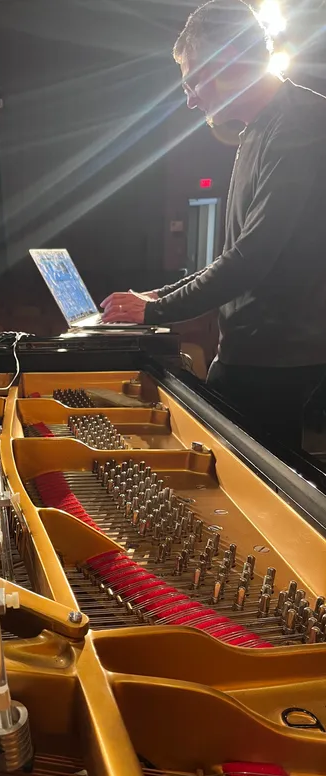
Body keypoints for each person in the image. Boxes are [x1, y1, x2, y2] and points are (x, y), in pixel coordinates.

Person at [100, 0, 326, 448]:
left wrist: (155, 312)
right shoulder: (263, 127)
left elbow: (252, 258)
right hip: (263, 353)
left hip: (276, 357)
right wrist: (158, 296)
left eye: (192, 80)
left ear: (222, 63)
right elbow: (238, 253)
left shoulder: (299, 124)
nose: (189, 99)